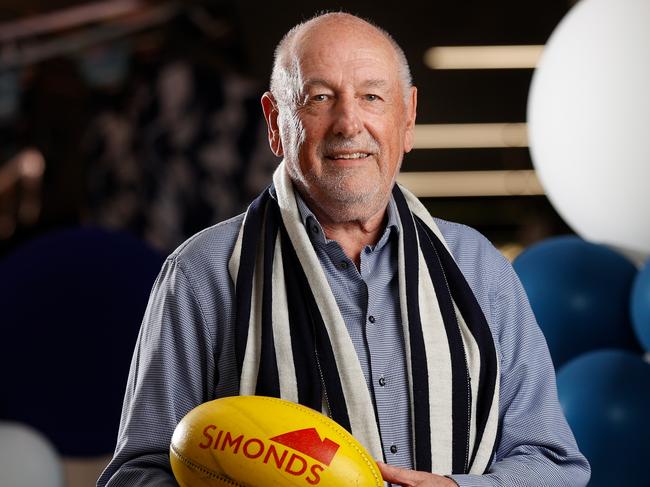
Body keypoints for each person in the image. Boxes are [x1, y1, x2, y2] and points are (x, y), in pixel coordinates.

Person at [98, 12, 590, 487]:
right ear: (275, 121)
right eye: (319, 98)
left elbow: (552, 461)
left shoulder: (476, 267)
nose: (348, 122)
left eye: (372, 97)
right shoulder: (202, 274)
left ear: (408, 116)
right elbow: (136, 474)